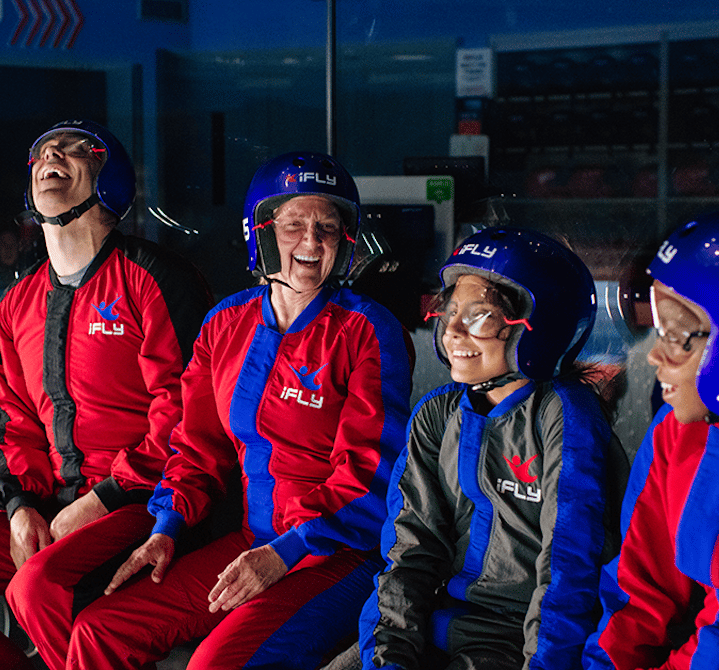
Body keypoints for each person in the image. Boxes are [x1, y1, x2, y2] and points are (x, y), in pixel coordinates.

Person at [43, 150, 412, 670]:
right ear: (261, 231)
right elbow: (195, 449)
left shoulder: (369, 330)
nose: (312, 242)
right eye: (294, 225)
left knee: (214, 664)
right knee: (100, 630)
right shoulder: (225, 323)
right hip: (252, 540)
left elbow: (369, 477)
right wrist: (166, 528)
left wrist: (284, 553)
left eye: (328, 227)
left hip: (337, 553)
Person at [0, 119, 213, 670]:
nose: (53, 155)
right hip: (45, 503)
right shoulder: (17, 303)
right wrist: (18, 507)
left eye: (76, 149)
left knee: (38, 586)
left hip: (139, 501)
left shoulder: (154, 277)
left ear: (110, 177)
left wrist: (101, 500)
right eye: (44, 151)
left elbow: (182, 419)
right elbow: (10, 423)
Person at [327, 226, 629, 670]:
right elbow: (409, 553)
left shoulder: (564, 415)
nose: (453, 331)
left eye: (480, 316)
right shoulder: (437, 415)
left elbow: (569, 567)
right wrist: (389, 657)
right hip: (436, 627)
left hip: (519, 642)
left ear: (540, 326)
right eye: (450, 312)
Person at [583, 212, 719, 669]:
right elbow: (637, 589)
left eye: (677, 336)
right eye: (659, 332)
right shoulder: (674, 430)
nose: (654, 356)